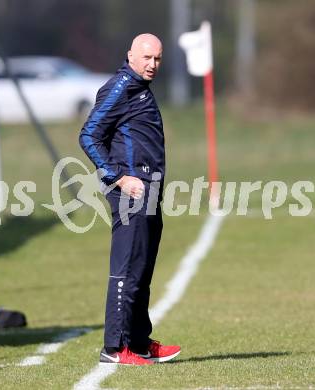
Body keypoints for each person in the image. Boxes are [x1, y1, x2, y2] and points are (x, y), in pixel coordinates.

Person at [79, 33, 180, 365]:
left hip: (150, 192)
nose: (152, 65)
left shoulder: (141, 89)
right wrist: (119, 177)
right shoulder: (120, 87)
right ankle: (115, 347)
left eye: (158, 59)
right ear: (131, 56)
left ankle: (138, 341)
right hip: (130, 193)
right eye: (147, 58)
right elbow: (89, 135)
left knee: (143, 270)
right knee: (126, 270)